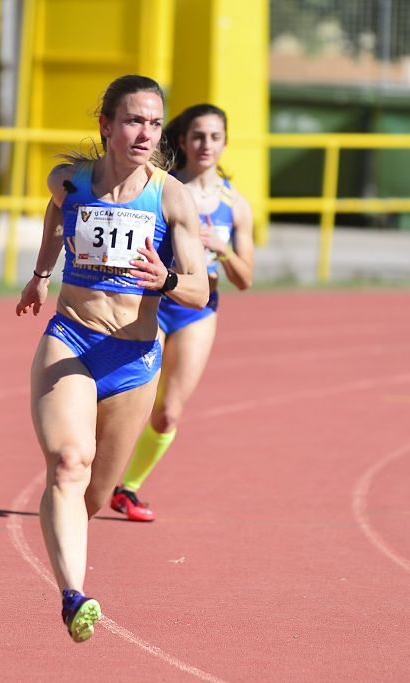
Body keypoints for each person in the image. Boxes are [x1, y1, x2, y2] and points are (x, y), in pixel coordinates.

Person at [15, 75, 208, 642]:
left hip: (134, 357)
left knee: (95, 495)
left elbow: (198, 290)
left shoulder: (172, 196)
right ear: (106, 125)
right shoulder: (70, 180)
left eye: (153, 122)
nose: (145, 132)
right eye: (132, 120)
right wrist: (42, 273)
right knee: (68, 464)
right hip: (71, 338)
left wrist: (166, 277)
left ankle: (74, 550)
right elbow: (57, 211)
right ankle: (74, 596)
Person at [110, 103, 254, 522]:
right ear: (183, 141)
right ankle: (90, 472)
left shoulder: (236, 206)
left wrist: (223, 249)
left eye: (214, 137)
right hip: (150, 304)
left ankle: (128, 488)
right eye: (197, 136)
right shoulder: (160, 187)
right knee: (129, 399)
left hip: (198, 309)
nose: (205, 145)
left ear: (225, 142)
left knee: (168, 410)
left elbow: (245, 279)